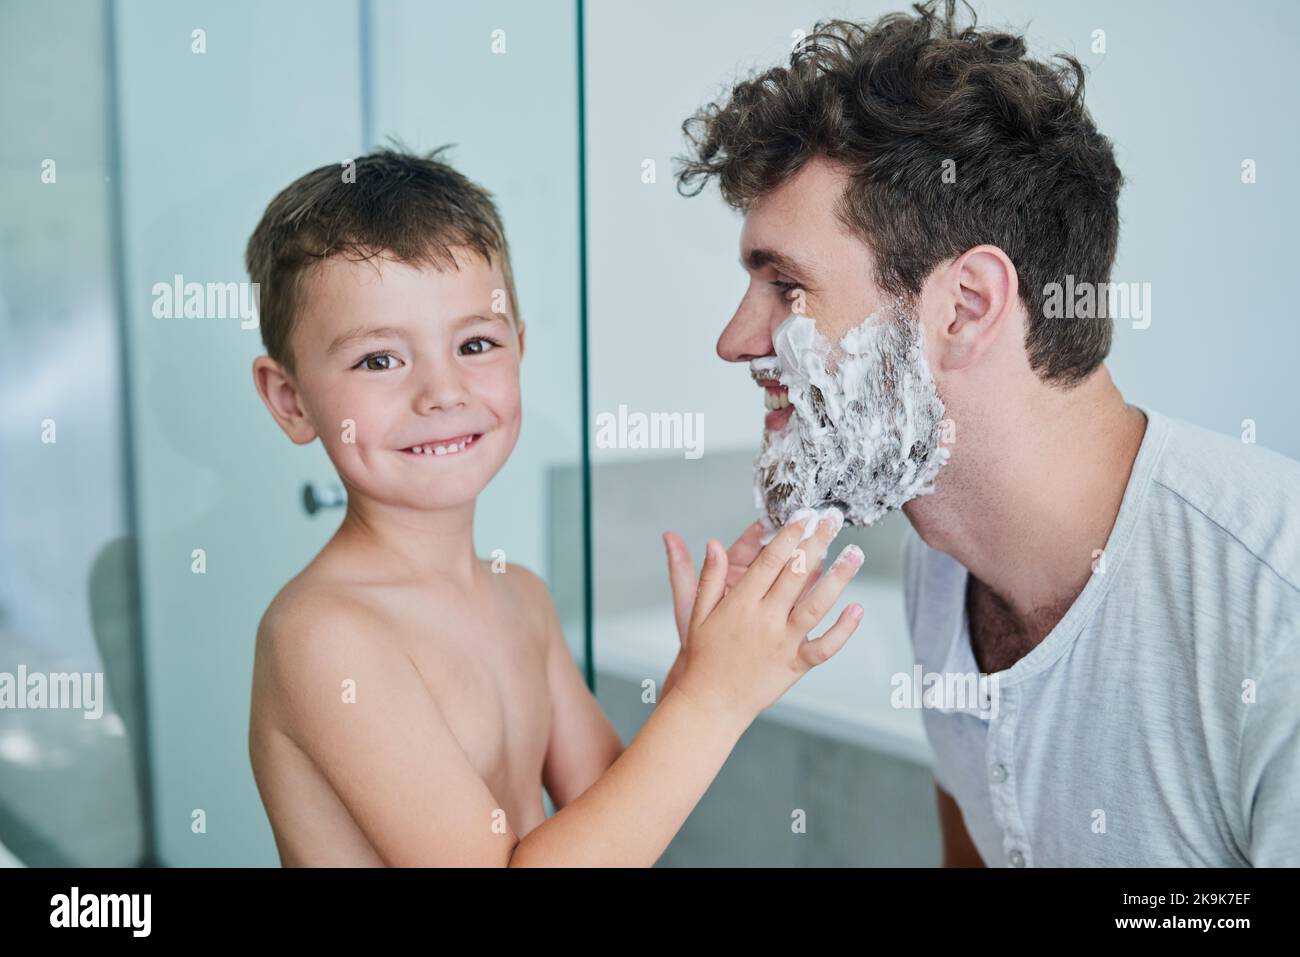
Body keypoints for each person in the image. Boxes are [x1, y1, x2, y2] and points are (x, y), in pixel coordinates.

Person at [668, 1, 1300, 865]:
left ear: (965, 307)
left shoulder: (1275, 608)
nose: (736, 340)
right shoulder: (942, 556)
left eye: (785, 285)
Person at [244, 147, 867, 866]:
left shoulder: (521, 598)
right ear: (290, 400)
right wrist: (713, 699)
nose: (442, 391)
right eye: (379, 359)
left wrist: (704, 668)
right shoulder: (323, 637)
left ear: (520, 349)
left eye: (475, 343)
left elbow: (610, 818)